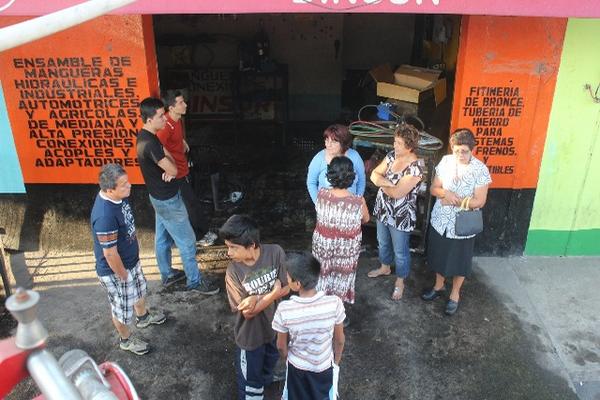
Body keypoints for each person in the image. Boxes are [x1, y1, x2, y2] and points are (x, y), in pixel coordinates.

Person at [136, 97, 219, 294]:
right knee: (188, 241)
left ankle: (167, 274)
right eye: (160, 116)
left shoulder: (148, 136)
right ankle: (194, 282)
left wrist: (169, 163)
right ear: (149, 119)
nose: (164, 120)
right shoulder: (149, 144)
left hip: (158, 197)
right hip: (168, 200)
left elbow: (169, 157)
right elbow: (173, 171)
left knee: (162, 239)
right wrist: (170, 166)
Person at [91, 163, 166, 355]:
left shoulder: (119, 198)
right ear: (109, 190)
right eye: (124, 184)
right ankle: (126, 340)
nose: (129, 186)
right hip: (117, 271)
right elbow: (109, 253)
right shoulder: (105, 216)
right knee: (122, 310)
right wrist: (123, 275)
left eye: (127, 181)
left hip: (131, 262)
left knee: (140, 291)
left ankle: (143, 317)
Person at [219, 214, 290, 400]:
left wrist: (258, 297)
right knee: (250, 384)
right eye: (228, 247)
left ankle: (265, 383)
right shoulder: (233, 272)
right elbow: (248, 313)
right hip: (250, 338)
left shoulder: (275, 253)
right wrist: (272, 294)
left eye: (233, 247)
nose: (229, 253)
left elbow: (288, 286)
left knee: (268, 367)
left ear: (251, 246)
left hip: (273, 329)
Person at [422, 128, 491, 316]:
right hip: (441, 221)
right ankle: (438, 286)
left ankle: (454, 294)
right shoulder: (445, 162)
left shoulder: (480, 170)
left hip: (463, 225)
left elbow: (480, 201)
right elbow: (434, 188)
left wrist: (455, 200)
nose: (460, 154)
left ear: (472, 150)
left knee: (460, 261)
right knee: (439, 255)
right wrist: (446, 193)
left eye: (465, 151)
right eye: (457, 150)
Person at [273, 252, 345, 400]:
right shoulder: (334, 303)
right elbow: (339, 340)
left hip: (297, 368)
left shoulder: (285, 309)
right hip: (325, 366)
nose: (286, 279)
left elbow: (281, 346)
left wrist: (288, 359)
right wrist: (335, 363)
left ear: (297, 283)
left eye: (287, 276)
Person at [367, 124, 424, 301]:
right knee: (382, 242)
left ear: (409, 146)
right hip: (384, 210)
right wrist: (389, 184)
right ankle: (385, 267)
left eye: (399, 143)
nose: (394, 146)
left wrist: (383, 184)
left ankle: (400, 281)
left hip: (401, 216)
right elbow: (373, 174)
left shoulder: (415, 167)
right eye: (395, 141)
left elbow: (398, 193)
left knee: (400, 251)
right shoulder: (392, 156)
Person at [156, 90, 217, 247]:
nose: (185, 105)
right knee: (191, 204)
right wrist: (168, 170)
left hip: (183, 169)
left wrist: (182, 141)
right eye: (181, 103)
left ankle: (201, 232)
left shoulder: (178, 121)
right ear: (171, 107)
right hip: (176, 174)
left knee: (191, 203)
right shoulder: (166, 126)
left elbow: (173, 139)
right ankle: (199, 236)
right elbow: (156, 148)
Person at [312, 156, 369, 311]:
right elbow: (366, 219)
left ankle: (320, 308)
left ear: (330, 175)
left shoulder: (322, 194)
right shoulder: (358, 202)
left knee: (323, 274)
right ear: (351, 177)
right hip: (346, 250)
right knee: (341, 277)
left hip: (323, 246)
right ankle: (337, 314)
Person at [306, 124, 366, 204]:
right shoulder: (319, 158)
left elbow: (361, 180)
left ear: (343, 143)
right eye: (327, 140)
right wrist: (318, 204)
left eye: (333, 141)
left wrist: (357, 201)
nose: (328, 145)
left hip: (350, 208)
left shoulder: (354, 156)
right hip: (326, 208)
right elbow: (311, 182)